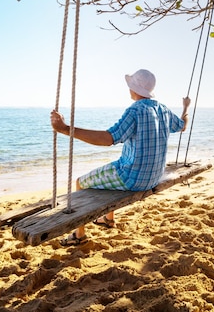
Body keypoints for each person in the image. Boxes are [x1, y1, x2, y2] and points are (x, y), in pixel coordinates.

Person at [50, 69, 191, 246]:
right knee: (115, 166)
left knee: (80, 182)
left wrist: (65, 129)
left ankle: (79, 235)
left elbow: (108, 138)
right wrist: (186, 106)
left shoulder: (135, 111)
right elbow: (183, 125)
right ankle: (107, 220)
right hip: (153, 177)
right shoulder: (162, 109)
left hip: (134, 178)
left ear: (134, 89)